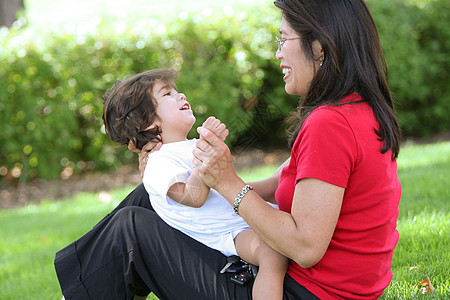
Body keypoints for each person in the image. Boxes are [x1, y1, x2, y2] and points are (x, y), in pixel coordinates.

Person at [54, 0, 402, 299]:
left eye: (284, 39)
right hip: (323, 285)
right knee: (148, 197)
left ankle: (79, 286)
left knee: (131, 228)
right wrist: (194, 170)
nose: (278, 52)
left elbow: (306, 247)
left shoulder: (330, 124)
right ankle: (79, 283)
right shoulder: (357, 110)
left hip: (304, 290)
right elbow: (289, 188)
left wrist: (226, 182)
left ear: (319, 47)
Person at [102, 68, 287, 300]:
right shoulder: (158, 163)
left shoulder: (188, 147)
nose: (180, 96)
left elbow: (225, 191)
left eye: (177, 91)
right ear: (146, 122)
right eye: (167, 94)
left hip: (241, 219)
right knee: (272, 254)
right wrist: (207, 155)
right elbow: (194, 197)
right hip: (227, 233)